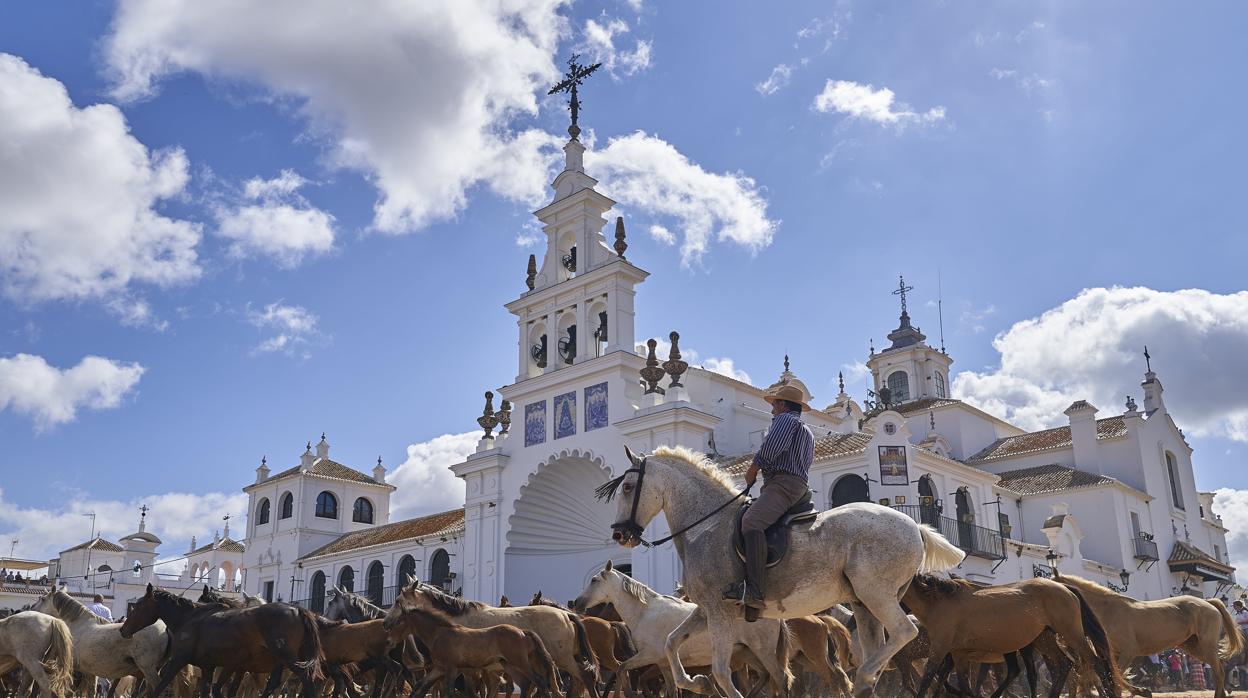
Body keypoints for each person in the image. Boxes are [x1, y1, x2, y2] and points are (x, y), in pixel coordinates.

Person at [723, 383, 814, 619]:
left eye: (774, 404)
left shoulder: (786, 421)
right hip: (793, 484)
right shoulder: (808, 431)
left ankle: (754, 591)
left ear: (783, 405)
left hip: (783, 485)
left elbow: (772, 448)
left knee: (751, 522)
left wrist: (753, 468)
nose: (772, 409)